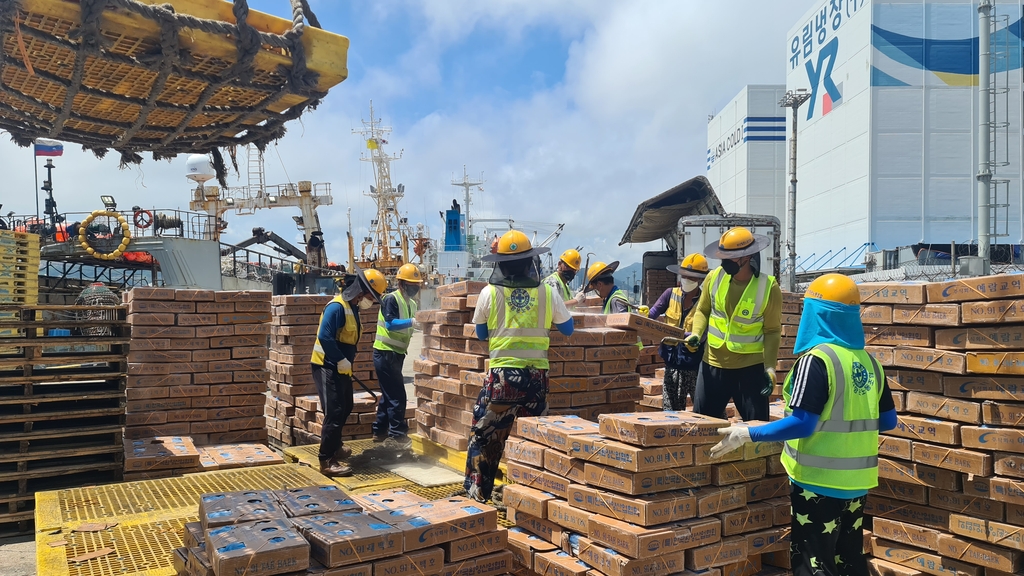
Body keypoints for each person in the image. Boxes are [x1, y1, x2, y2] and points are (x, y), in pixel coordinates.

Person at [710, 273, 896, 576]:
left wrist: (748, 433)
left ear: (817, 313)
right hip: (858, 485)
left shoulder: (817, 360)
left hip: (817, 485)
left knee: (814, 565)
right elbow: (888, 421)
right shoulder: (869, 362)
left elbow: (803, 424)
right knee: (848, 561)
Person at [465, 229, 574, 503]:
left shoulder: (489, 293)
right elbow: (568, 329)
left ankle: (478, 496)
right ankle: (531, 500)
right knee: (534, 440)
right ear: (530, 262)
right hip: (537, 380)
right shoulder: (548, 293)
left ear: (500, 263)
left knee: (484, 437)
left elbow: (480, 334)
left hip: (502, 380)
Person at [686, 227, 781, 421]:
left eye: (729, 258)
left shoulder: (768, 287)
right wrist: (696, 333)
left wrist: (770, 368)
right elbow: (703, 311)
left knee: (756, 430)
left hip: (750, 369)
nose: (723, 262)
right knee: (702, 427)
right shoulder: (715, 278)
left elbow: (772, 331)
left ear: (746, 258)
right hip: (712, 364)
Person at [310, 266, 386, 477]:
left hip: (341, 367)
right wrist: (341, 359)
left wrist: (345, 362)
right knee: (334, 412)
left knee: (346, 407)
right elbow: (325, 337)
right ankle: (326, 460)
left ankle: (335, 445)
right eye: (372, 296)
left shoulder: (353, 308)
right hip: (326, 365)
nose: (372, 301)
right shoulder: (337, 307)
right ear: (360, 290)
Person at [372, 263, 424, 447]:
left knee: (388, 395)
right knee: (397, 396)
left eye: (416, 284)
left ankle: (379, 430)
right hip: (385, 353)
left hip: (397, 355)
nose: (415, 287)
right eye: (411, 284)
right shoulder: (390, 299)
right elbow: (390, 324)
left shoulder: (411, 303)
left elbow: (411, 325)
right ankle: (396, 435)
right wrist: (411, 322)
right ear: (401, 284)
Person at [649, 253, 709, 410]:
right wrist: (644, 314)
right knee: (670, 410)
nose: (687, 280)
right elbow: (653, 313)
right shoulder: (670, 294)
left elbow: (706, 330)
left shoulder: (705, 301)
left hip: (694, 365)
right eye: (685, 276)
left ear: (701, 280)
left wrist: (694, 337)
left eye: (692, 277)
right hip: (671, 362)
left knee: (703, 408)